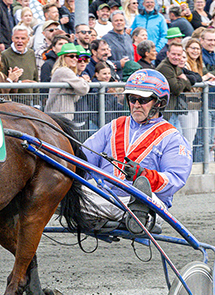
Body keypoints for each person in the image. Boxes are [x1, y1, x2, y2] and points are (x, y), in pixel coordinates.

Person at [80, 69, 192, 228]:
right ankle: (120, 216)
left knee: (144, 201)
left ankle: (132, 215)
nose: (136, 105)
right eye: (132, 99)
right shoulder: (114, 126)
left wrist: (143, 175)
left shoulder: (172, 137)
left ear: (159, 103)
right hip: (105, 197)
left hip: (147, 203)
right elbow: (83, 159)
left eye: (143, 99)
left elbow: (175, 179)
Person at [44, 43, 91, 120]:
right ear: (63, 57)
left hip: (61, 115)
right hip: (59, 116)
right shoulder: (64, 71)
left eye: (76, 56)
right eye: (71, 56)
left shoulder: (65, 71)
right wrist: (83, 80)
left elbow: (76, 97)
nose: (75, 59)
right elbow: (84, 89)